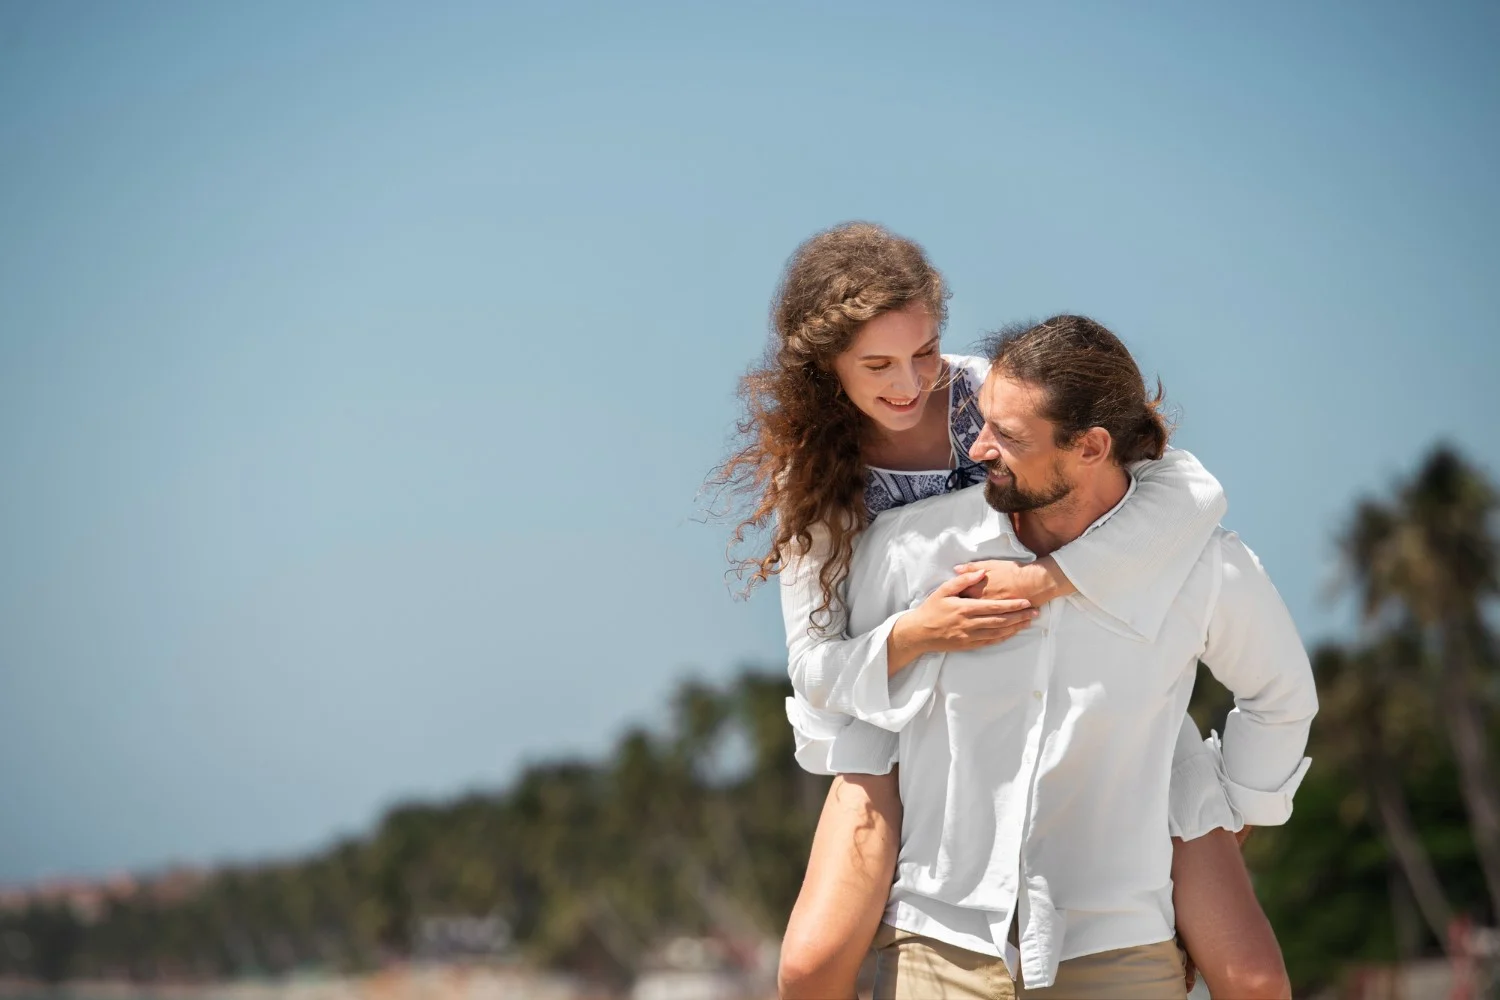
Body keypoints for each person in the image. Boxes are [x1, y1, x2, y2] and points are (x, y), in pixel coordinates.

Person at [716, 222, 1292, 998]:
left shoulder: (996, 396)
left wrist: (1052, 580)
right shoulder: (816, 474)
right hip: (892, 705)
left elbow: (1184, 489)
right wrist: (918, 633)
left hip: (1100, 684)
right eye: (878, 364)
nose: (911, 382)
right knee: (809, 968)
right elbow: (816, 668)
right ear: (827, 368)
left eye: (925, 351)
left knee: (1252, 976)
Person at [833, 314, 1318, 998]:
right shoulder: (913, 550)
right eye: (982, 421)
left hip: (1121, 952)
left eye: (1009, 436)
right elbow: (844, 698)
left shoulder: (1202, 567)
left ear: (1090, 447)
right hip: (938, 951)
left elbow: (1281, 698)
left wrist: (1230, 812)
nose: (977, 449)